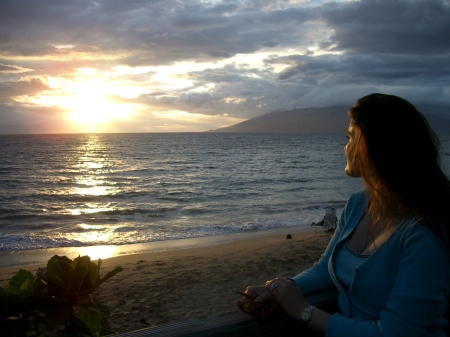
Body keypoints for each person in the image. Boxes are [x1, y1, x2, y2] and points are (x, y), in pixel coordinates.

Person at [242, 93, 450, 336]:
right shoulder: (358, 204)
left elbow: (393, 332)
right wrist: (282, 288)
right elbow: (325, 270)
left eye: (351, 137)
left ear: (378, 145)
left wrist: (304, 311)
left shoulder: (424, 233)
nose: (345, 146)